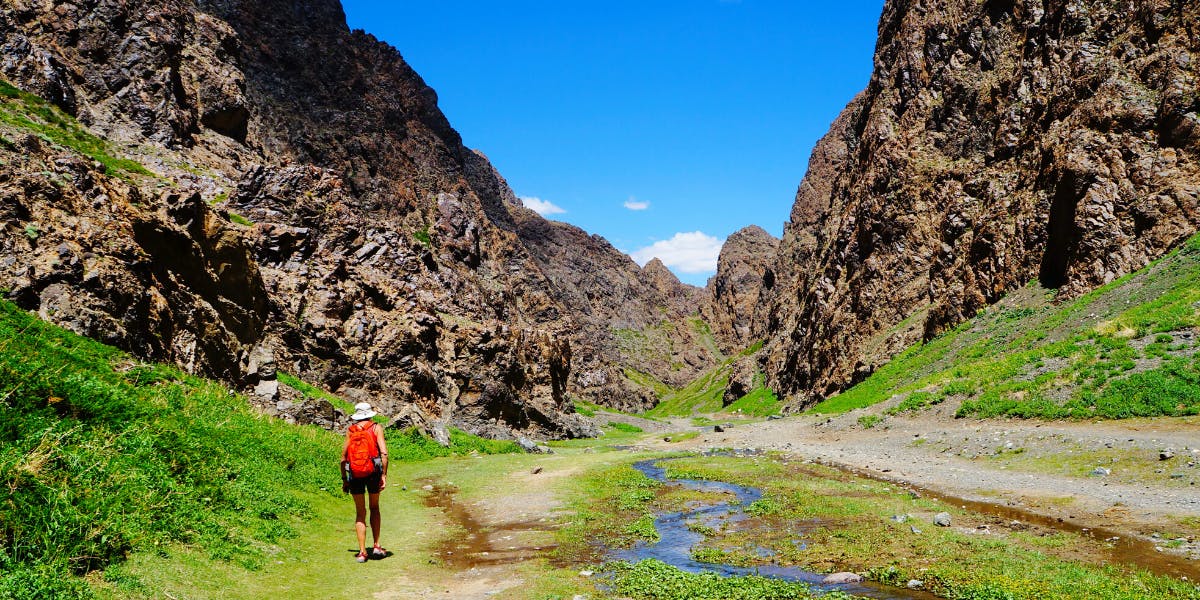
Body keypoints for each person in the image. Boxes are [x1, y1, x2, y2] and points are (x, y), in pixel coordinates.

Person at [343, 402, 388, 562]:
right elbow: (384, 454)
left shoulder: (351, 431)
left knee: (360, 512)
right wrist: (383, 474)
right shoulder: (376, 428)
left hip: (354, 473)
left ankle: (362, 552)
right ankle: (376, 546)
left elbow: (343, 458)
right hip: (373, 473)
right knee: (374, 507)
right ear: (370, 414)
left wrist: (345, 479)